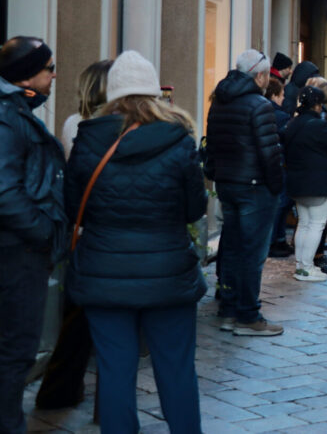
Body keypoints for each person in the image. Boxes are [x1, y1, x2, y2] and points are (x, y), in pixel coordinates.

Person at [65, 50, 206, 433]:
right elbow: (194, 208)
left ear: (112, 93)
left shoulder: (87, 138)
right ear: (153, 90)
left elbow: (73, 206)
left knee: (114, 371)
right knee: (176, 368)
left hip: (104, 270)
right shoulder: (179, 138)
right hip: (168, 273)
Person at [35, 59, 114, 411]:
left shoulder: (73, 123)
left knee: (77, 316)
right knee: (107, 323)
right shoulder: (113, 128)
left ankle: (60, 390)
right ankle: (105, 405)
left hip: (81, 231)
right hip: (102, 231)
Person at [0, 36, 66, 434]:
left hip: (18, 247)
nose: (54, 74)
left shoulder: (16, 111)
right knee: (15, 348)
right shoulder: (8, 117)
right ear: (27, 73)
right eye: (48, 68)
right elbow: (4, 190)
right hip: (16, 251)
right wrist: (42, 232)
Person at [205, 49, 285, 336]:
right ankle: (248, 315)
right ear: (260, 75)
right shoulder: (259, 105)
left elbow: (211, 144)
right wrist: (276, 187)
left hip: (227, 184)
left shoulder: (219, 102)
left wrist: (215, 174)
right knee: (252, 253)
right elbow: (270, 153)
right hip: (254, 187)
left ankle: (228, 309)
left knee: (232, 248)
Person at [283, 86, 327, 282]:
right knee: (316, 225)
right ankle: (307, 268)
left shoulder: (292, 123)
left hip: (296, 182)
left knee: (303, 224)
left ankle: (300, 265)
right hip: (317, 182)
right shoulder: (318, 125)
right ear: (318, 105)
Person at [265, 78, 295, 259]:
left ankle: (277, 239)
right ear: (274, 95)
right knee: (281, 204)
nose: (284, 99)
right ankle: (275, 240)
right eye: (282, 95)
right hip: (279, 164)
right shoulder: (280, 116)